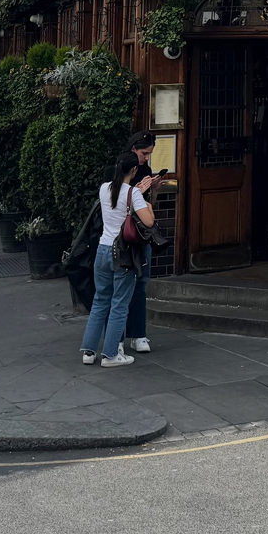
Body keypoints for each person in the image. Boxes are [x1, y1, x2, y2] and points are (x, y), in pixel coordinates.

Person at [80, 150, 159, 367]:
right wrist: (147, 202)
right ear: (134, 170)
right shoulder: (132, 193)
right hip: (122, 253)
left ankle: (88, 352)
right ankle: (111, 354)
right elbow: (149, 222)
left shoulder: (104, 188)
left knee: (100, 301)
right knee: (119, 304)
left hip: (103, 251)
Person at [122, 131, 158, 354]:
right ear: (133, 149)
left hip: (142, 232)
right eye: (145, 153)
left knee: (142, 282)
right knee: (121, 285)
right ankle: (119, 336)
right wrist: (138, 192)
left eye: (149, 154)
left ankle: (139, 334)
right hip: (123, 235)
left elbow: (147, 205)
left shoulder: (145, 170)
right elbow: (114, 200)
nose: (146, 159)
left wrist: (153, 191)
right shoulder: (120, 170)